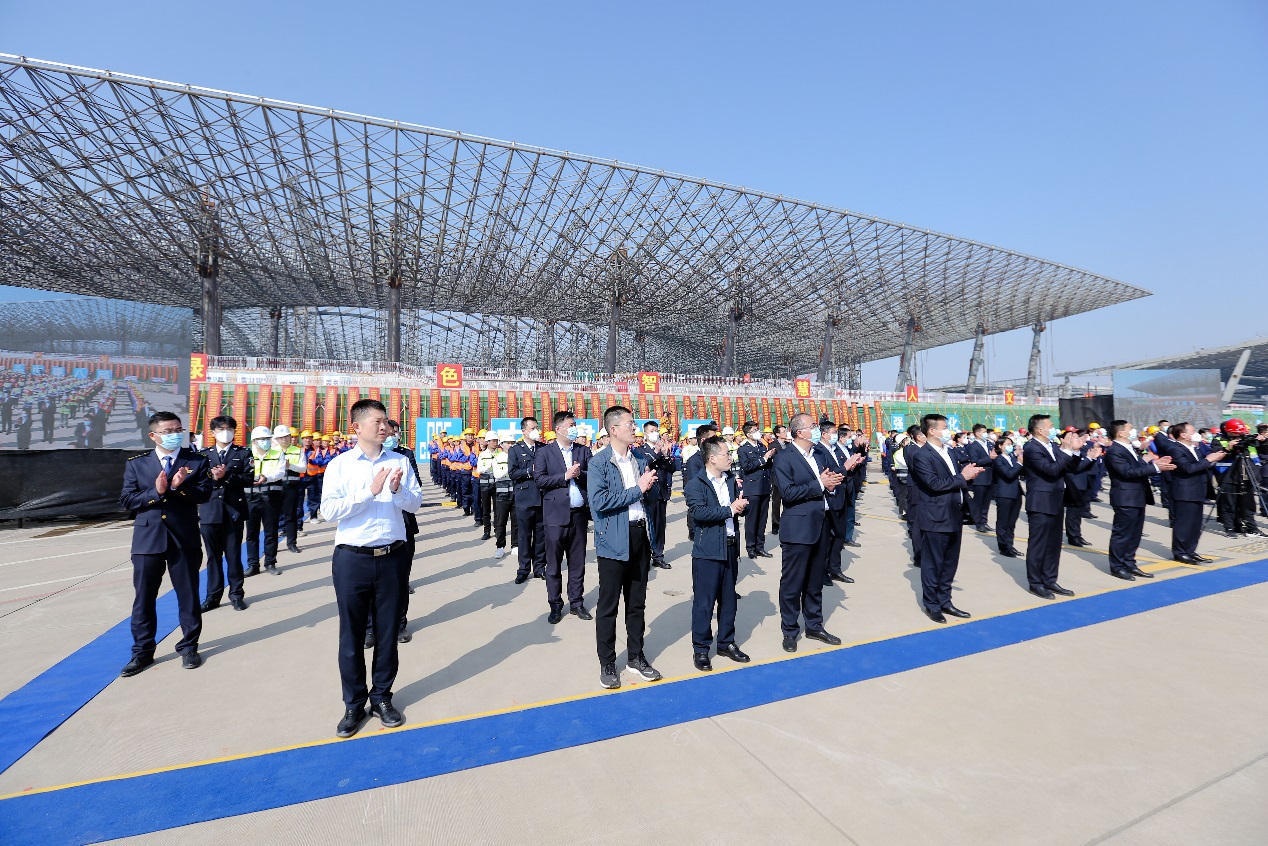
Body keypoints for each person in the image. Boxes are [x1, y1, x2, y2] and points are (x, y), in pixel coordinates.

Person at [320, 399, 422, 738]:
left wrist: (395, 492)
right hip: (352, 559)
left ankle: (381, 697)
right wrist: (370, 491)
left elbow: (416, 502)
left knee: (387, 632)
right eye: (377, 421)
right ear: (357, 427)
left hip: (392, 556)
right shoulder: (340, 465)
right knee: (351, 634)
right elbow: (329, 512)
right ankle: (353, 704)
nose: (384, 427)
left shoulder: (400, 461)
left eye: (386, 422)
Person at [118, 411, 212, 676]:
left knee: (189, 595)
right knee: (144, 598)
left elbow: (204, 495)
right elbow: (127, 500)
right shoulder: (137, 464)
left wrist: (181, 487)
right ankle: (142, 652)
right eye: (168, 431)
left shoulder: (196, 461)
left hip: (184, 538)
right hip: (148, 540)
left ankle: (189, 647)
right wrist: (156, 493)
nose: (174, 435)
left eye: (178, 429)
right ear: (153, 435)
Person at [588, 405, 661, 689]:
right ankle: (607, 662)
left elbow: (648, 498)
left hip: (640, 534)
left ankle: (636, 656)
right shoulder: (599, 463)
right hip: (613, 539)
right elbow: (600, 502)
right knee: (608, 606)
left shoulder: (639, 458)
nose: (635, 427)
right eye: (630, 423)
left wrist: (651, 486)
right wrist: (638, 489)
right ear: (613, 429)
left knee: (637, 602)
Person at [772, 413, 844, 652]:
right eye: (812, 426)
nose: (816, 429)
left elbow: (827, 483)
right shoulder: (784, 458)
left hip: (820, 524)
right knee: (792, 583)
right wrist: (821, 484)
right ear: (799, 432)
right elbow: (789, 494)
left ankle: (814, 625)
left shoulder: (820, 455)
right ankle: (790, 630)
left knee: (815, 582)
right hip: (798, 529)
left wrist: (831, 484)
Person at [684, 435, 752, 671]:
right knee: (704, 603)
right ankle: (701, 649)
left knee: (729, 598)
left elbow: (735, 509)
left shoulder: (731, 480)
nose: (730, 458)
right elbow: (700, 513)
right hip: (708, 550)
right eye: (726, 454)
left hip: (731, 546)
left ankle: (726, 642)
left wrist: (741, 507)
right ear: (712, 458)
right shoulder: (696, 484)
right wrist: (729, 509)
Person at [910, 414, 983, 624]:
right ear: (932, 431)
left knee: (950, 562)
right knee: (933, 563)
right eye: (944, 427)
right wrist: (963, 477)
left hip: (953, 513)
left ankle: (946, 600)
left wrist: (966, 476)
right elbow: (934, 483)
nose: (947, 430)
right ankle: (932, 605)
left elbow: (953, 480)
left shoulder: (948, 452)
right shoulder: (922, 455)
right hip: (935, 516)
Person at [1022, 415, 1101, 599]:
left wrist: (1074, 452)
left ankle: (1050, 579)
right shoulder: (1032, 448)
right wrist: (1066, 450)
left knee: (1053, 545)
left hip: (1056, 501)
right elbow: (1051, 470)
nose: (1054, 428)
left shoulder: (1051, 446)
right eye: (1050, 426)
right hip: (1041, 503)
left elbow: (1070, 468)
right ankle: (1036, 583)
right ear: (1040, 430)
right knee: (1038, 544)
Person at [364, 418, 423, 648]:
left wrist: (398, 488)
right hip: (371, 524)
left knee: (399, 579)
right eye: (384, 429)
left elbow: (415, 488)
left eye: (392, 431)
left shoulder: (405, 457)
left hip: (402, 522)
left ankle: (399, 623)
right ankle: (370, 628)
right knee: (370, 582)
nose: (388, 434)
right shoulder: (358, 459)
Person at [534, 410, 592, 623]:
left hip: (578, 516)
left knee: (578, 563)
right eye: (571, 424)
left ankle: (576, 602)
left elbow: (593, 476)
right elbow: (539, 480)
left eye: (575, 424)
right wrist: (565, 476)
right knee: (554, 564)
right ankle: (555, 604)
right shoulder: (544, 453)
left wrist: (580, 474)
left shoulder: (583, 451)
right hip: (555, 516)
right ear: (558, 429)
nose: (574, 428)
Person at [1104, 420, 1173, 580]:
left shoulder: (1127, 448)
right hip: (1125, 498)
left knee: (1134, 534)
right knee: (1122, 534)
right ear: (1121, 433)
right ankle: (1117, 566)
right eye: (1130, 428)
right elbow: (1126, 472)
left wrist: (1151, 462)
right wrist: (1156, 468)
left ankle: (1129, 563)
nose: (1133, 430)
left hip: (1136, 496)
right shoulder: (1115, 450)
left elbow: (1134, 468)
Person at [198, 415, 253, 612]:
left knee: (233, 555)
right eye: (221, 429)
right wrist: (213, 478)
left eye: (229, 429)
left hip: (233, 512)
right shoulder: (203, 455)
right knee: (213, 557)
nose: (226, 432)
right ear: (213, 432)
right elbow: (198, 482)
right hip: (209, 512)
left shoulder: (244, 453)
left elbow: (248, 478)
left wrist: (226, 476)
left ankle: (236, 595)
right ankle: (213, 596)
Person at [1167, 422, 1225, 563]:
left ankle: (1190, 550)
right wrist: (1208, 460)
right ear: (1183, 435)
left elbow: (1201, 465)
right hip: (1185, 492)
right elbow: (1188, 468)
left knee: (1195, 525)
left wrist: (1214, 458)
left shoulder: (1194, 448)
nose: (1195, 433)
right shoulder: (1176, 449)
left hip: (1198, 490)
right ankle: (1180, 552)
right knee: (1184, 524)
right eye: (1192, 431)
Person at [509, 416, 547, 583]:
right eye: (532, 428)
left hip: (541, 498)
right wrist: (530, 471)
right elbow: (513, 473)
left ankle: (539, 567)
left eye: (536, 427)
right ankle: (523, 569)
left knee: (541, 535)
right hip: (524, 499)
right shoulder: (515, 450)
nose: (535, 431)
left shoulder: (543, 448)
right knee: (524, 536)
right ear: (524, 431)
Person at [244, 425, 286, 576]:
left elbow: (280, 472)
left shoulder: (278, 453)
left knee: (271, 532)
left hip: (270, 497)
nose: (264, 442)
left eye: (267, 439)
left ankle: (270, 562)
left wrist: (267, 477)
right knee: (251, 533)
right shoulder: (247, 455)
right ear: (254, 441)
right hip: (251, 498)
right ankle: (253, 564)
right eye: (261, 439)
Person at [635, 421, 676, 569]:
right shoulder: (640, 450)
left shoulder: (663, 448)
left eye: (656, 430)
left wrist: (665, 455)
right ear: (645, 433)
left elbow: (671, 468)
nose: (655, 433)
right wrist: (657, 453)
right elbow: (643, 464)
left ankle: (658, 555)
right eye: (652, 430)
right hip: (648, 492)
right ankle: (646, 555)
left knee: (660, 526)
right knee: (649, 526)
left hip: (662, 492)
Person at [737, 420, 777, 560]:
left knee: (762, 519)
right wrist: (763, 459)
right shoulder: (743, 449)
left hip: (765, 486)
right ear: (748, 434)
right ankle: (751, 547)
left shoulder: (761, 446)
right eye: (754, 430)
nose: (757, 432)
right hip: (752, 488)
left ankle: (760, 546)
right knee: (752, 519)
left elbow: (767, 464)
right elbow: (746, 466)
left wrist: (770, 457)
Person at [477, 431, 514, 557]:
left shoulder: (500, 454)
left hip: (499, 486)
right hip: (486, 485)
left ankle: (496, 530)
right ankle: (486, 530)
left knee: (499, 512)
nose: (495, 442)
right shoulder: (483, 454)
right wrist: (490, 465)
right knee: (486, 509)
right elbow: (479, 469)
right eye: (492, 440)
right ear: (487, 442)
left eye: (496, 440)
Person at [274, 425, 306, 554]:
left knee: (291, 515)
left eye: (286, 437)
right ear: (276, 439)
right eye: (281, 438)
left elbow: (303, 468)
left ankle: (292, 543)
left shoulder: (298, 451)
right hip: (275, 487)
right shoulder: (272, 452)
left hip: (291, 487)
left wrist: (290, 465)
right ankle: (272, 545)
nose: (284, 440)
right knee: (273, 516)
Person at [991, 436, 1024, 557]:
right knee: (1003, 522)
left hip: (1016, 493)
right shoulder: (998, 460)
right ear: (1000, 446)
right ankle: (1003, 546)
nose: (1011, 446)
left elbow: (1020, 472)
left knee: (1011, 522)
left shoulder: (1012, 458)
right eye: (1008, 444)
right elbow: (1009, 474)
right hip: (1004, 494)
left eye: (1011, 444)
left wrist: (1021, 462)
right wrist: (1019, 463)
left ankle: (1010, 545)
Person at [964, 424, 995, 533]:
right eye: (984, 431)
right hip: (980, 477)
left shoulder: (990, 444)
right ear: (977, 433)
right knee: (978, 502)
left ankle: (984, 521)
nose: (986, 434)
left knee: (986, 502)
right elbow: (975, 461)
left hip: (990, 477)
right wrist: (989, 458)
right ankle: (978, 523)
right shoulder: (974, 446)